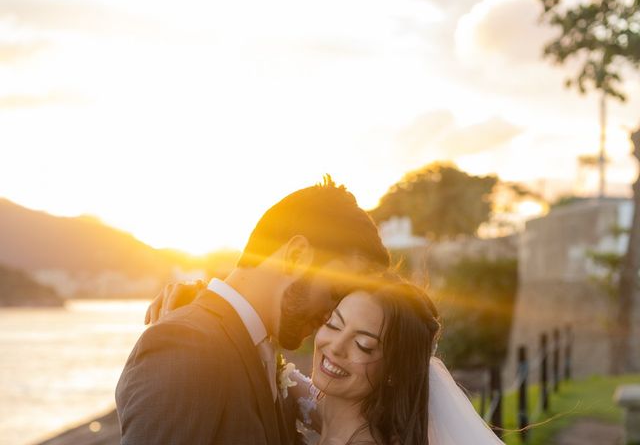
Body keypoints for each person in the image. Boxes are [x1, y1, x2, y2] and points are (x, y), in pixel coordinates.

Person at [115, 178, 390, 444]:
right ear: (295, 257)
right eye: (336, 291)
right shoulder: (185, 348)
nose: (334, 314)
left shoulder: (257, 347)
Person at [151, 275, 506, 444]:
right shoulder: (325, 411)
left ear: (394, 372)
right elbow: (281, 377)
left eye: (364, 346)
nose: (335, 347)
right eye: (333, 324)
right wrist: (196, 316)